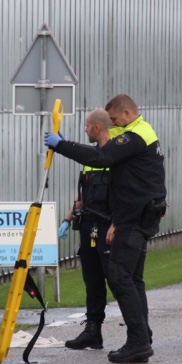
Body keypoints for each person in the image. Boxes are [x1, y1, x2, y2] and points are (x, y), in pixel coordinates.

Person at [44, 94, 167, 363]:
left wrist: (62, 145)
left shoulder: (135, 135)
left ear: (126, 113)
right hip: (134, 217)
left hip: (134, 219)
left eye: (114, 120)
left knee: (119, 276)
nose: (112, 125)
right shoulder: (136, 133)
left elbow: (102, 157)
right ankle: (141, 336)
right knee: (131, 278)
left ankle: (138, 341)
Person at [58, 109, 118, 350]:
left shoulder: (116, 156)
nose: (84, 130)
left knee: (118, 281)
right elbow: (81, 196)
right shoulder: (89, 160)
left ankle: (139, 331)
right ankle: (93, 330)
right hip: (89, 226)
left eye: (86, 126)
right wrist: (67, 218)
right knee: (92, 281)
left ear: (97, 128)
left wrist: (117, 224)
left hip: (109, 227)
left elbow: (125, 196)